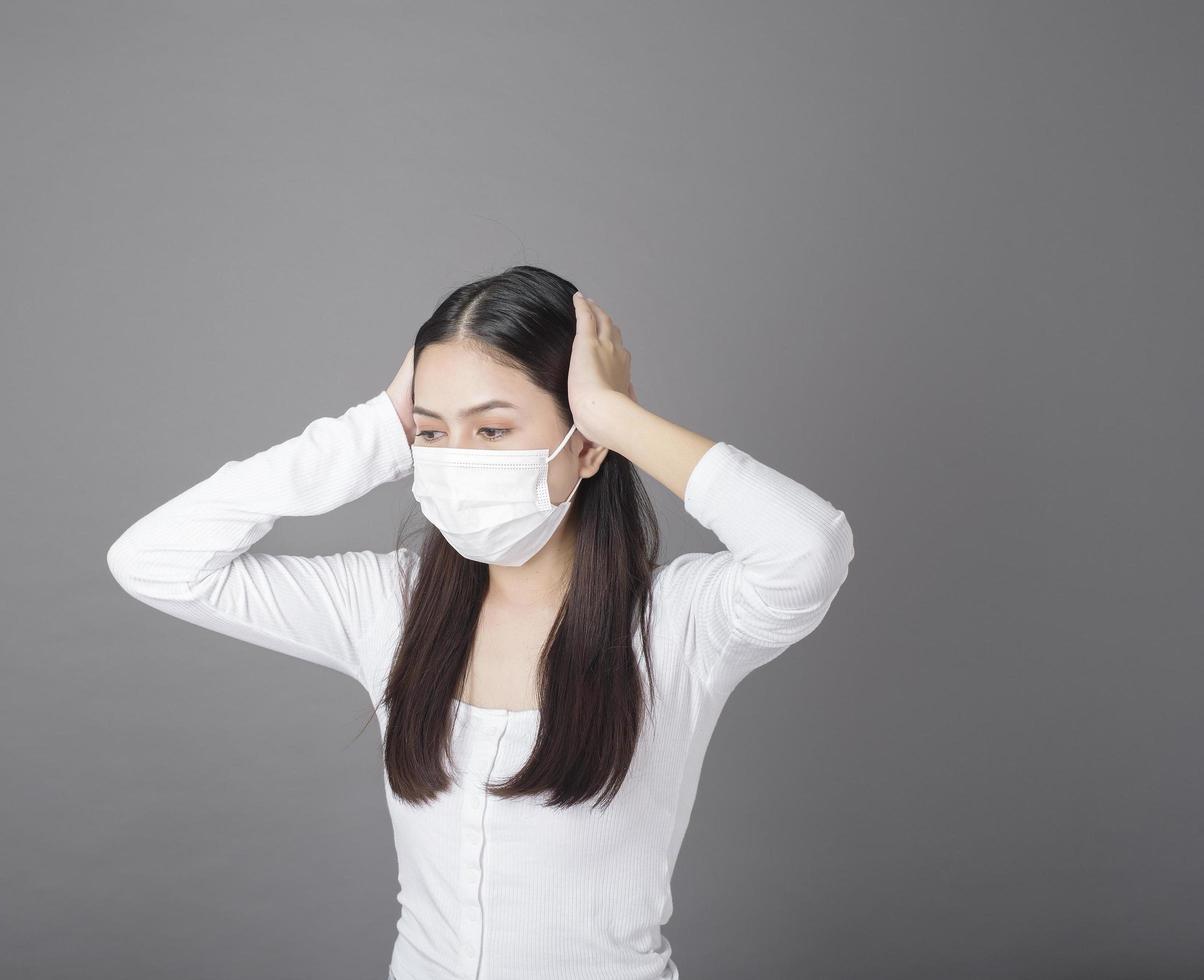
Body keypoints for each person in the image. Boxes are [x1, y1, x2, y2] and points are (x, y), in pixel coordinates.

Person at [106, 265, 856, 980]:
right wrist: (372, 430)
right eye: (432, 434)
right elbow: (154, 560)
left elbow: (808, 550)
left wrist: (619, 417)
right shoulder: (390, 607)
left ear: (587, 445)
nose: (456, 459)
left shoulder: (679, 623)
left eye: (491, 431)